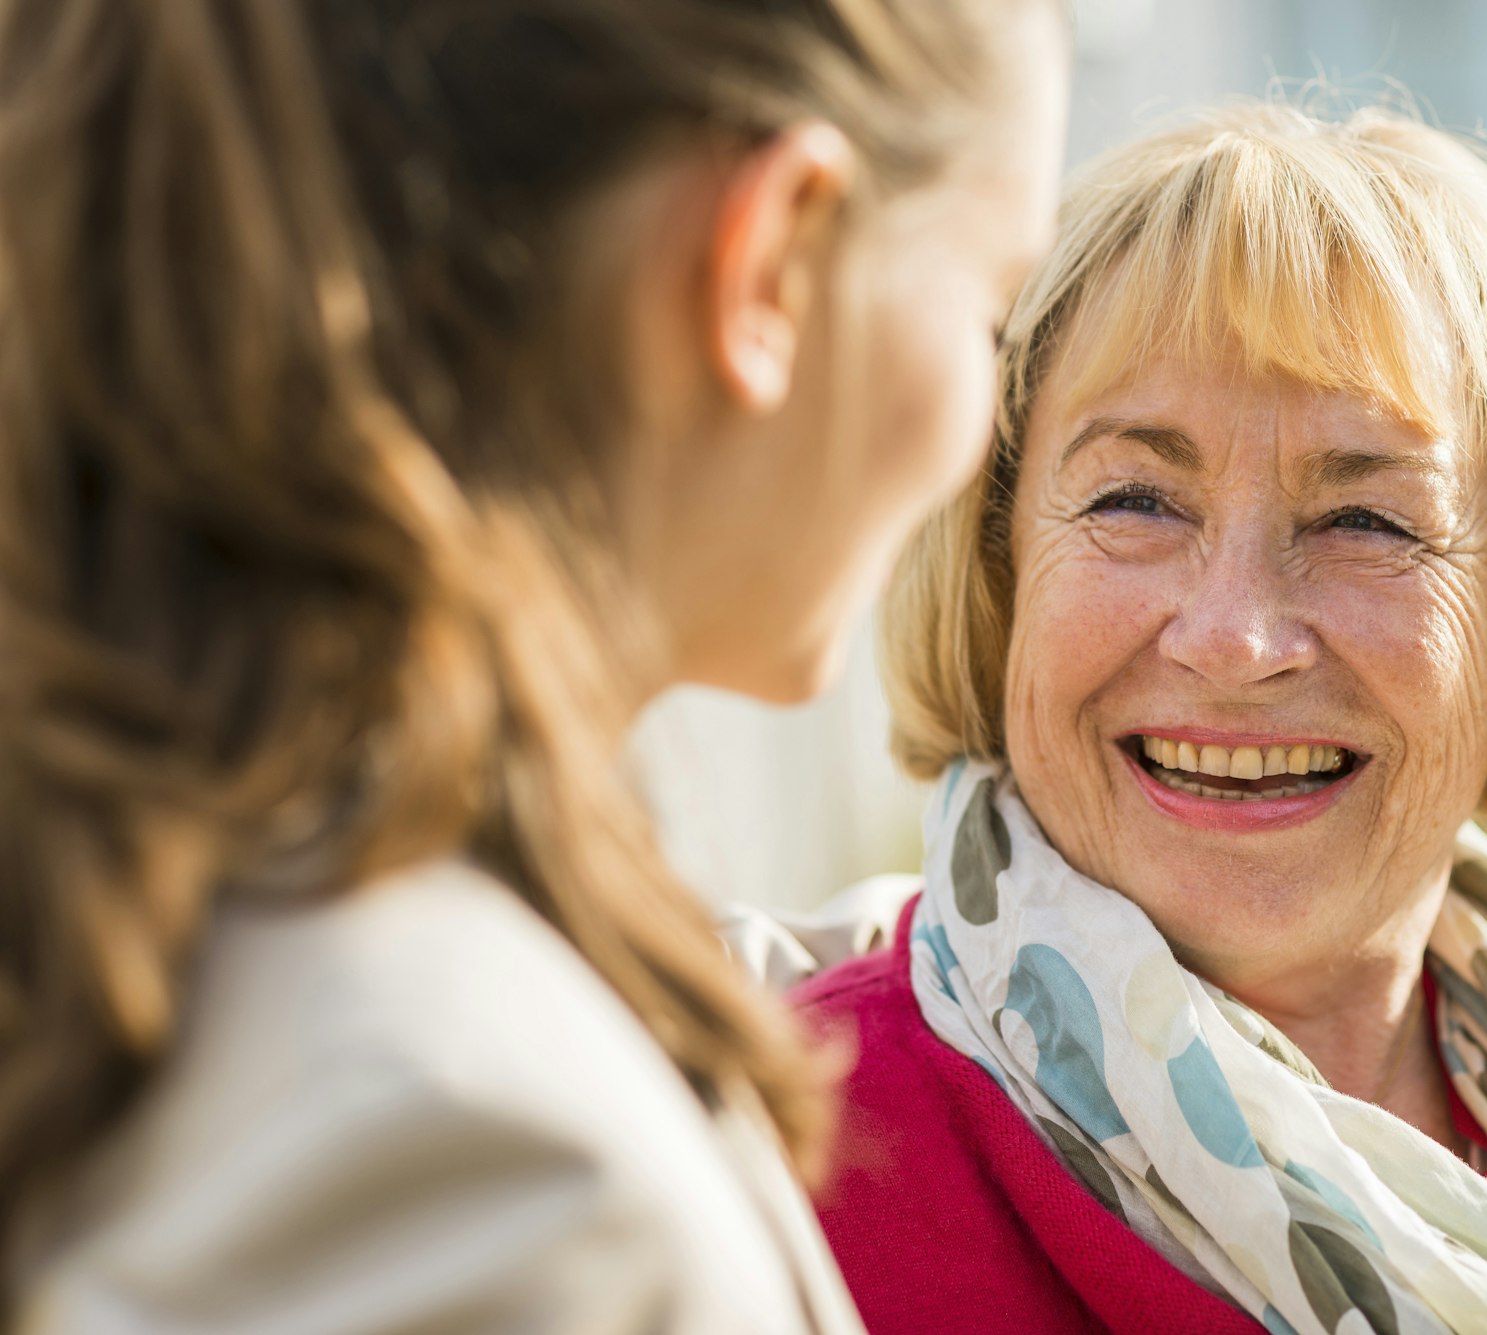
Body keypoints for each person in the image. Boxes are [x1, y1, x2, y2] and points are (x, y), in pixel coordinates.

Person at [0, 0, 1067, 1328]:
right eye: (991, 311)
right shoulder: (490, 1174)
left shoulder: (185, 892)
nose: (979, 434)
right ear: (774, 260)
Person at [795, 102, 1487, 1333]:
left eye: (1365, 522)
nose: (1234, 638)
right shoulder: (796, 1153)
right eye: (1135, 498)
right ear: (998, 578)